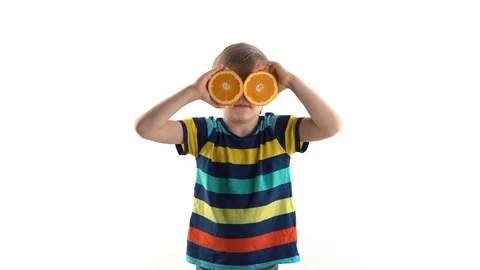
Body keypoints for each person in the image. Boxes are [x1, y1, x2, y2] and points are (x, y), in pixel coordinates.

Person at [134, 43, 342, 270]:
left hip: (265, 258)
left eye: (253, 85)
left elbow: (331, 126)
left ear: (268, 89)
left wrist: (291, 81)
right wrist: (194, 91)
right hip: (211, 258)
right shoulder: (204, 133)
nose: (242, 94)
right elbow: (146, 128)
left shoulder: (279, 132)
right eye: (232, 84)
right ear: (214, 87)